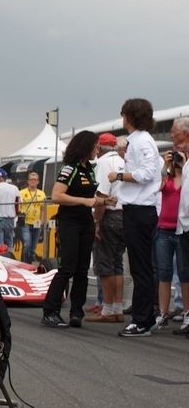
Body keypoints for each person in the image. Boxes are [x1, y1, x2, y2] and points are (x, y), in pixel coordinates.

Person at [41, 131, 109, 328]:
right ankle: (50, 311)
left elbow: (90, 195)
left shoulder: (90, 169)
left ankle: (76, 312)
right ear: (86, 147)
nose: (98, 149)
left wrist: (102, 201)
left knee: (82, 269)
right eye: (96, 146)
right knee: (67, 267)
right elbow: (56, 196)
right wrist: (86, 201)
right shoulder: (69, 169)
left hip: (86, 221)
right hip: (69, 221)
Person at [111, 98, 162, 337]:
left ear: (130, 116)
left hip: (141, 210)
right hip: (137, 209)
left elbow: (147, 173)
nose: (122, 119)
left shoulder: (142, 142)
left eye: (124, 115)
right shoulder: (138, 141)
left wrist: (119, 175)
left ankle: (143, 319)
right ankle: (145, 315)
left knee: (141, 268)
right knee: (140, 267)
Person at [85, 133, 126, 323]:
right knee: (118, 263)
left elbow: (101, 195)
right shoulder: (122, 161)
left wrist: (96, 223)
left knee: (105, 264)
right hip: (124, 215)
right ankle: (118, 307)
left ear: (99, 148)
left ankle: (108, 309)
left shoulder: (103, 163)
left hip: (109, 215)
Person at [154, 145, 185, 328]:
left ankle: (184, 310)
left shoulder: (187, 178)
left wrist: (185, 164)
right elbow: (158, 186)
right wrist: (165, 165)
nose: (177, 159)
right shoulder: (168, 177)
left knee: (183, 274)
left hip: (181, 231)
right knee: (164, 273)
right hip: (164, 230)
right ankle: (163, 313)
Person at [171, 118, 189, 333]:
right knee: (184, 273)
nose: (171, 137)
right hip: (183, 225)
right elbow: (177, 189)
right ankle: (186, 315)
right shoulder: (184, 164)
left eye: (174, 133)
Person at [0, 169, 20, 255]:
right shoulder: (15, 188)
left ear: (0, 177)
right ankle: (10, 259)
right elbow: (18, 204)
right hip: (10, 220)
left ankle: (2, 262)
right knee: (9, 243)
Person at [17, 171, 46, 263]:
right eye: (31, 179)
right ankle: (25, 263)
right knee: (27, 244)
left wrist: (42, 221)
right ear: (28, 181)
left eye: (35, 180)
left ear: (38, 182)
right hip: (25, 222)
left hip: (37, 223)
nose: (33, 181)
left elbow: (43, 209)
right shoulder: (21, 193)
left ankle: (30, 263)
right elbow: (18, 207)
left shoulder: (42, 194)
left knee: (33, 247)